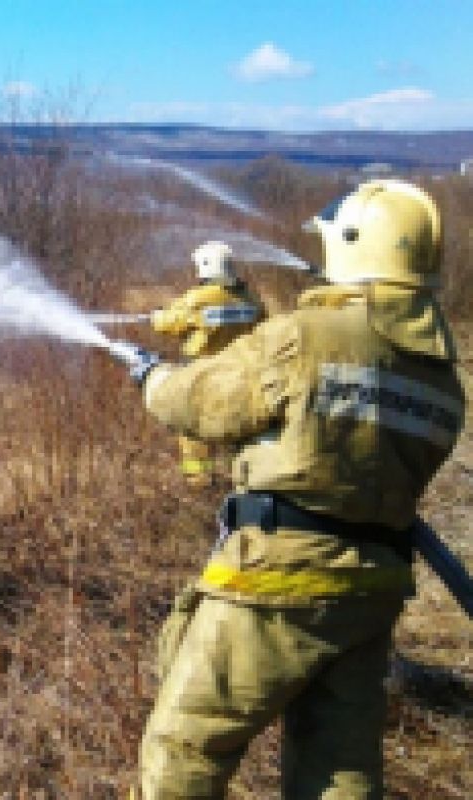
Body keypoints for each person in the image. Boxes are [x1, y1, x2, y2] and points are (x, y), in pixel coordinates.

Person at [118, 179, 466, 798]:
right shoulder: (441, 377)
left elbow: (202, 404)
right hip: (371, 592)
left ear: (357, 246)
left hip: (276, 582)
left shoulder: (305, 337)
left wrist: (153, 379)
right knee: (340, 768)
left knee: (188, 743)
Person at [150, 241, 265, 486]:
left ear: (205, 267)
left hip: (203, 375)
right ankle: (244, 480)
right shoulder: (251, 299)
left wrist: (156, 316)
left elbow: (168, 323)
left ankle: (200, 482)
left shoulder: (200, 299)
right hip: (242, 375)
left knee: (191, 431)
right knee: (241, 429)